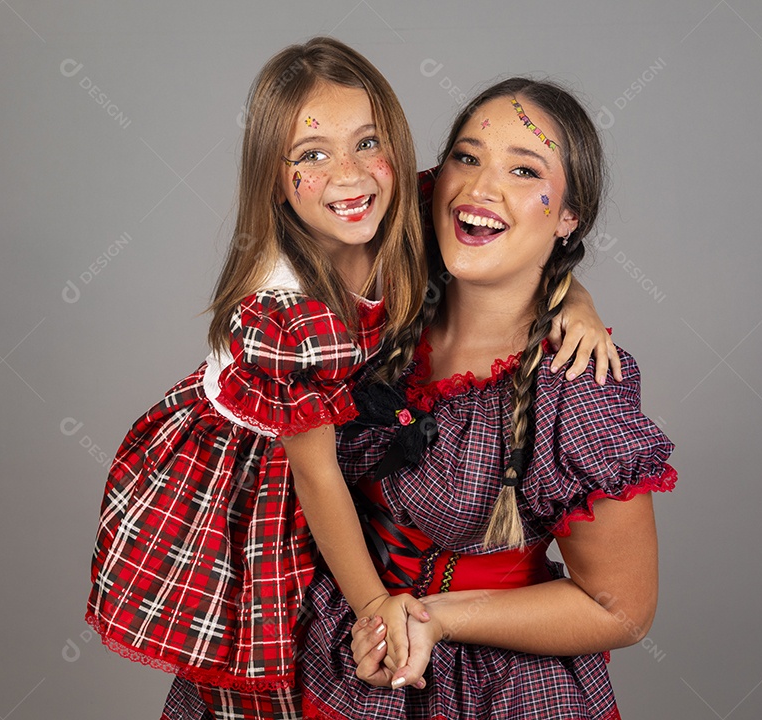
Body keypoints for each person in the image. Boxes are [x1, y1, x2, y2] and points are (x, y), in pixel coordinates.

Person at [111, 39, 615, 718]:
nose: (349, 175)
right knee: (265, 662)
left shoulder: (411, 208)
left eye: (367, 143)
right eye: (312, 156)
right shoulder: (288, 313)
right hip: (254, 479)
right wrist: (375, 605)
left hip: (333, 466)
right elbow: (316, 476)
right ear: (273, 176)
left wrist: (574, 302)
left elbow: (525, 232)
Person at [290, 77, 678, 720]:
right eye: (466, 159)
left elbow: (622, 610)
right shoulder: (371, 308)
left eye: (525, 170)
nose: (480, 189)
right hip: (326, 654)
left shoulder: (577, 386)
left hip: (492, 690)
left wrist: (433, 618)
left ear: (569, 214)